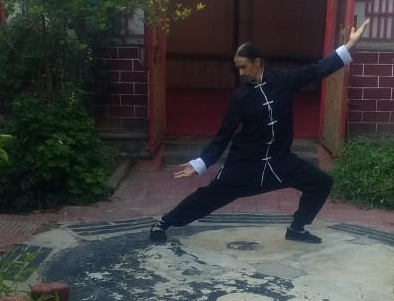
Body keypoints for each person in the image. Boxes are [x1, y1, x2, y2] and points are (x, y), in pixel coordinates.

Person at [150, 19, 370, 245]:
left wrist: (348, 46)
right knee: (210, 196)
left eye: (243, 67)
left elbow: (316, 70)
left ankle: (297, 228)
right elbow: (224, 135)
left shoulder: (283, 81)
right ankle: (164, 223)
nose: (240, 73)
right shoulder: (240, 96)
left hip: (280, 161)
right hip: (245, 164)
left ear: (257, 62)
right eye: (238, 68)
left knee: (321, 183)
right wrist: (200, 163)